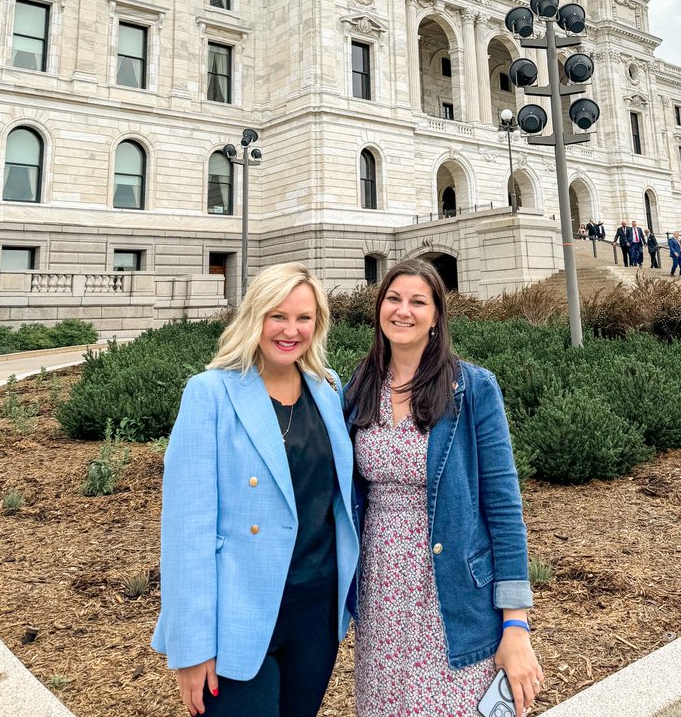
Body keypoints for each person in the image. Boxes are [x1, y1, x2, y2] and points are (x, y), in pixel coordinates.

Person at [151, 263, 359, 717]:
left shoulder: (327, 389)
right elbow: (188, 530)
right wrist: (191, 647)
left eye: (304, 318)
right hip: (238, 617)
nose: (290, 330)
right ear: (254, 317)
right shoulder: (210, 393)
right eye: (277, 316)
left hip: (315, 614)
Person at [346, 258, 543, 717]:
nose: (403, 311)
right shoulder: (358, 386)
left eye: (418, 301)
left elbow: (504, 509)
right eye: (393, 299)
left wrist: (516, 623)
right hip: (381, 590)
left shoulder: (471, 388)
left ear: (436, 315)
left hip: (453, 592)